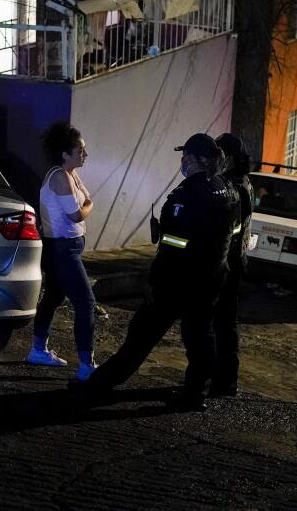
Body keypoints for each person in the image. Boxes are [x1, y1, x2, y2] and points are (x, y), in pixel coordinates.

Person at [80, 133, 234, 411]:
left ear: (199, 159)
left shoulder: (186, 196)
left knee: (141, 334)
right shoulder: (223, 188)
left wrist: (153, 281)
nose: (182, 161)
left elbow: (173, 247)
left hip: (177, 282)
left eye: (186, 156)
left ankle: (98, 385)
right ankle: (195, 394)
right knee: (200, 337)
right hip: (210, 279)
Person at [28, 121, 97, 380]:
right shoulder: (59, 176)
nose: (84, 155)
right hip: (63, 249)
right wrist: (88, 206)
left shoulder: (70, 174)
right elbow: (77, 213)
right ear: (65, 154)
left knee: (53, 298)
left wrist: (87, 203)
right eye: (79, 151)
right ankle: (86, 366)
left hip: (67, 248)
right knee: (86, 302)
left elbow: (86, 199)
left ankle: (38, 349)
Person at [211, 133, 254, 397]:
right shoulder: (242, 183)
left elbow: (229, 232)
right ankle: (223, 380)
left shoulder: (233, 187)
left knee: (223, 324)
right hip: (234, 262)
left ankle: (224, 382)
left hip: (228, 264)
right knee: (224, 323)